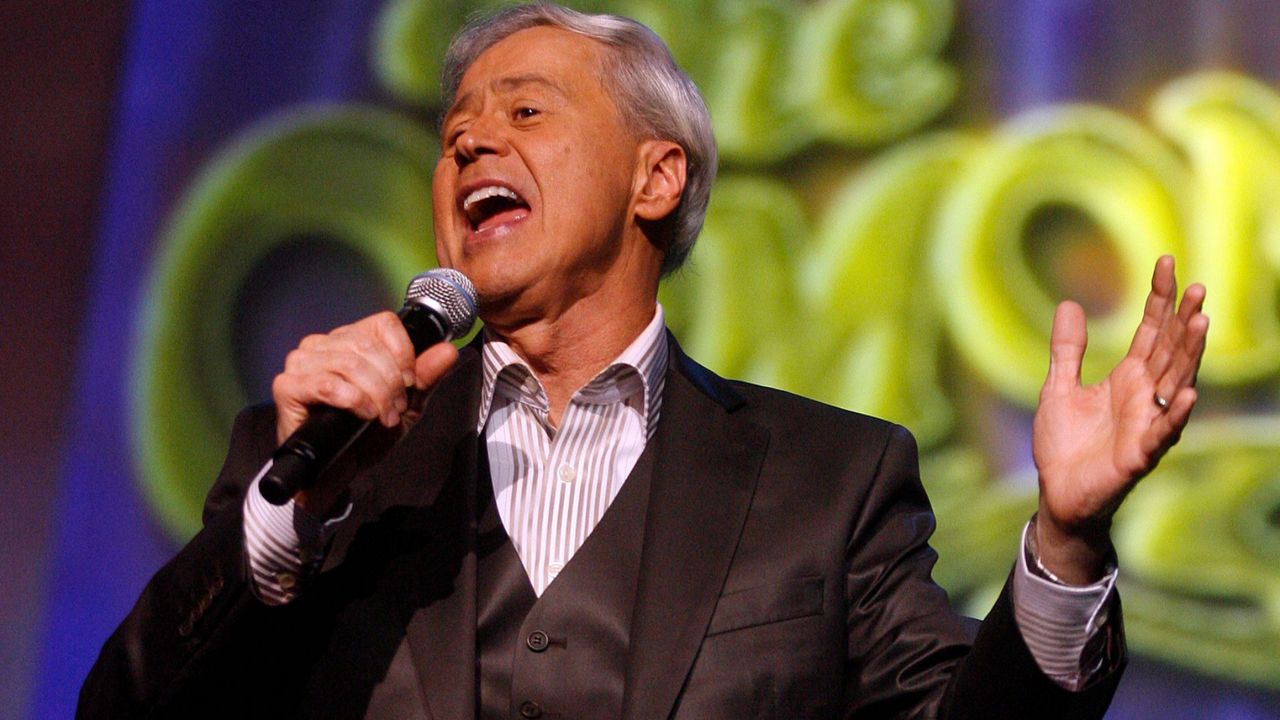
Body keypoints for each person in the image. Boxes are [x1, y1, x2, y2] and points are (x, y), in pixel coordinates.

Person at [79, 4, 1208, 718]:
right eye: (456, 129)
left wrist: (1062, 541)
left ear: (654, 180)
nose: (471, 140)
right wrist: (284, 530)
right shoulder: (320, 464)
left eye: (525, 109)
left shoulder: (828, 482)